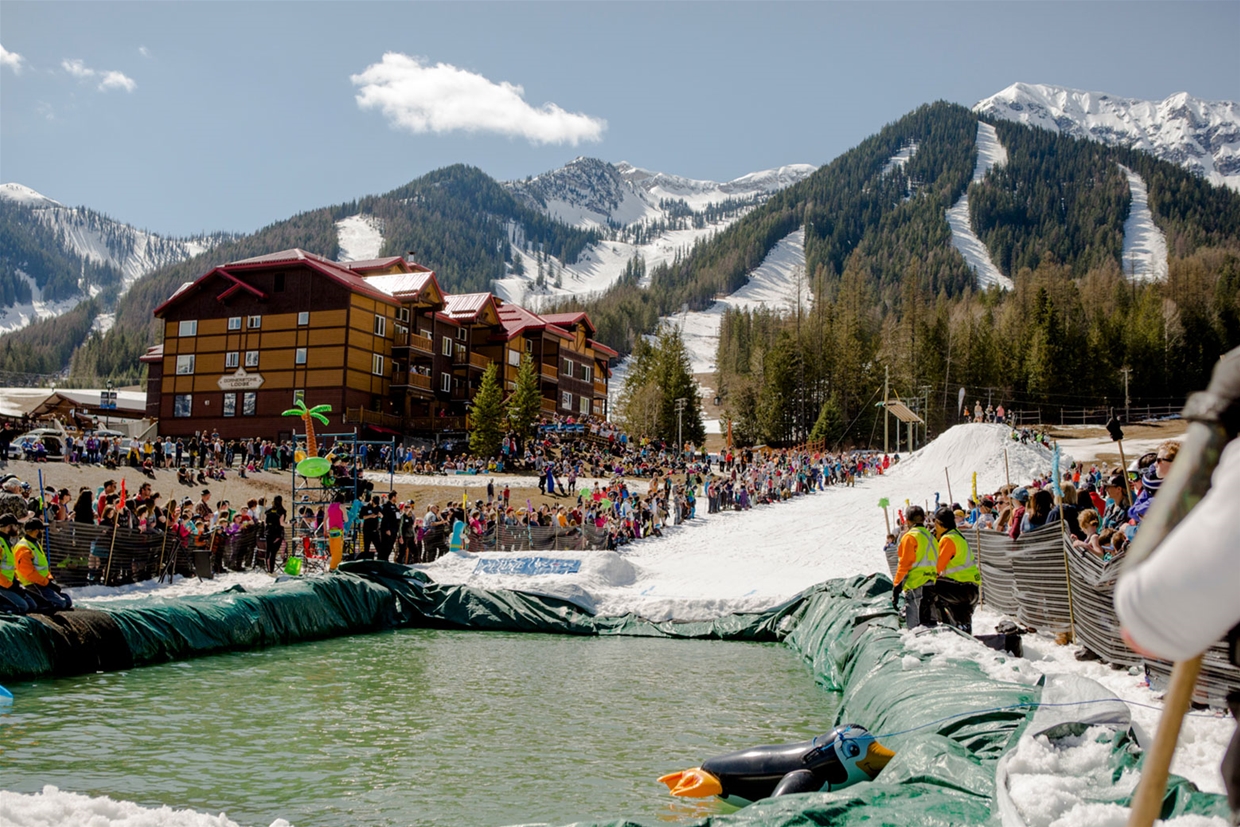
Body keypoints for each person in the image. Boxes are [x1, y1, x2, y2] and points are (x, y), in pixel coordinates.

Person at [932, 507, 979, 633]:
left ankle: (938, 626)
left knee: (929, 587)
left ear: (938, 523)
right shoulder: (957, 535)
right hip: (971, 588)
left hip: (960, 587)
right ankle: (962, 631)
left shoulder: (947, 539)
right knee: (962, 624)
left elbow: (936, 568)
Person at [892, 506, 937, 629]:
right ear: (923, 519)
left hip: (916, 585)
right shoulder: (930, 537)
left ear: (907, 521)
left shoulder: (909, 537)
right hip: (931, 584)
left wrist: (896, 586)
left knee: (915, 629)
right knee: (930, 625)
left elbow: (904, 564)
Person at [14, 518, 71, 612]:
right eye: (42, 529)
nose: (43, 531)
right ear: (36, 531)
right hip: (32, 584)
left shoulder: (35, 543)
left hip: (42, 581)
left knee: (67, 601)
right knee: (60, 603)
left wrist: (49, 580)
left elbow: (42, 566)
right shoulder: (23, 547)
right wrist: (46, 583)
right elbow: (29, 573)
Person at [0, 514, 36, 614]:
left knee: (32, 605)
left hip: (8, 584)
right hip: (2, 586)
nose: (18, 528)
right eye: (16, 526)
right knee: (22, 606)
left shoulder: (6, 542)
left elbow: (10, 567)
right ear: (8, 527)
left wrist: (15, 582)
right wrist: (9, 585)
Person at [265, 494, 287, 574]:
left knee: (268, 551)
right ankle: (271, 570)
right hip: (277, 533)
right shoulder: (282, 510)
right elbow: (282, 523)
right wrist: (290, 524)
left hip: (268, 532)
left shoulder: (268, 510)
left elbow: (265, 521)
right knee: (273, 552)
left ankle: (268, 569)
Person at [325, 493, 346, 570]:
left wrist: (325, 530)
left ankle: (332, 566)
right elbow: (346, 519)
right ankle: (333, 567)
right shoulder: (341, 506)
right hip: (339, 530)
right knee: (338, 551)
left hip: (331, 531)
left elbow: (325, 519)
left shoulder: (330, 507)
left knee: (333, 551)